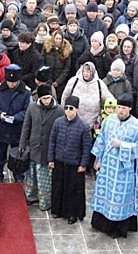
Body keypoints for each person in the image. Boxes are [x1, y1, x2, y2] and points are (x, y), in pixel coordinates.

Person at [90, 93, 138, 239]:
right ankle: (102, 224)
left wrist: (122, 145)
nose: (120, 110)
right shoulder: (109, 121)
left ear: (130, 109)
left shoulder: (137, 126)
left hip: (124, 170)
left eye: (123, 108)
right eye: (118, 107)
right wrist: (98, 159)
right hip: (108, 166)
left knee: (120, 198)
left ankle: (118, 228)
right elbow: (101, 139)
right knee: (105, 193)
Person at [20, 84, 64, 211]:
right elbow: (26, 126)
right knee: (32, 174)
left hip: (48, 149)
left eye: (48, 98)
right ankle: (31, 197)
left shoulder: (59, 110)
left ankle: (45, 201)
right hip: (34, 147)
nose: (46, 101)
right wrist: (23, 143)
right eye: (44, 98)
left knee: (45, 177)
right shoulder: (32, 107)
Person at [48, 95, 91, 224]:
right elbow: (52, 141)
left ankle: (72, 214)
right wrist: (51, 159)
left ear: (77, 109)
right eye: (66, 108)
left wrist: (83, 164)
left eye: (71, 108)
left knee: (72, 190)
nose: (68, 111)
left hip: (74, 164)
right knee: (58, 187)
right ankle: (57, 210)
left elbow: (86, 148)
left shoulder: (84, 126)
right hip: (60, 161)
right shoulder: (58, 122)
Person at [0, 64, 31, 183]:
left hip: (17, 128)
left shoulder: (26, 92)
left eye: (14, 82)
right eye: (9, 82)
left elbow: (28, 110)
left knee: (18, 155)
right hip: (1, 127)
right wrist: (0, 114)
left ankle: (19, 177)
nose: (11, 84)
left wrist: (16, 117)